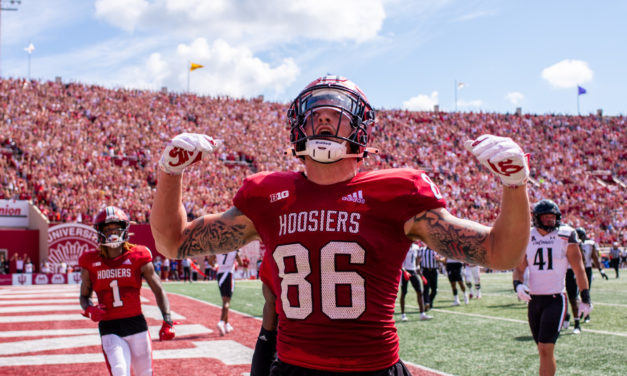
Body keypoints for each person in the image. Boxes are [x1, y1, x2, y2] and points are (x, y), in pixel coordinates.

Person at [150, 75, 531, 375]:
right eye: (315, 112)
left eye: (337, 113)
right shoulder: (266, 193)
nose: (325, 118)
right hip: (292, 367)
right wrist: (170, 173)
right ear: (298, 125)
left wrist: (514, 186)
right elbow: (172, 243)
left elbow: (500, 253)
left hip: (374, 368)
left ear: (361, 127)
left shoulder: (398, 191)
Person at [79, 206, 175, 376]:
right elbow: (84, 296)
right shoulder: (90, 261)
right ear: (99, 231)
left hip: (136, 324)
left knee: (145, 373)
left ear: (125, 229)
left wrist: (168, 320)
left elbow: (158, 289)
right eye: (107, 229)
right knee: (120, 371)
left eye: (116, 228)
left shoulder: (138, 255)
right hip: (109, 327)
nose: (112, 232)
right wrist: (89, 309)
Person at [513, 199, 592, 376]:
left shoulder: (566, 234)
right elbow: (519, 268)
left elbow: (579, 269)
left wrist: (585, 297)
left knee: (546, 348)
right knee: (541, 350)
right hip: (534, 300)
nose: (551, 220)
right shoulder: (527, 235)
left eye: (553, 217)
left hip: (555, 298)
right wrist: (517, 285)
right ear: (536, 218)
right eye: (546, 217)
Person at [576, 227, 607, 323]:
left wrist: (601, 270)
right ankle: (578, 313)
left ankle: (586, 314)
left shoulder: (590, 244)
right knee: (576, 294)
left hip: (587, 269)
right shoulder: (574, 244)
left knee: (585, 292)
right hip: (576, 269)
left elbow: (595, 258)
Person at [209, 250, 243, 336]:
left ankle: (227, 324)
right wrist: (237, 258)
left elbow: (210, 260)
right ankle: (221, 322)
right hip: (228, 274)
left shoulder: (219, 248)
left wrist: (214, 265)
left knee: (224, 301)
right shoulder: (234, 250)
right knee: (227, 301)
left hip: (220, 274)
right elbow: (241, 263)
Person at [399, 243, 432, 321]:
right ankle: (403, 315)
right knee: (404, 292)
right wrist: (404, 271)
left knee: (419, 292)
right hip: (404, 271)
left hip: (413, 271)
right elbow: (399, 261)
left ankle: (422, 314)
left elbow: (417, 259)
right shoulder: (403, 246)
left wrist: (420, 274)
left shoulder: (416, 247)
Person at [417, 244, 439, 310]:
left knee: (434, 290)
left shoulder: (436, 250)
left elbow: (442, 258)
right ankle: (426, 303)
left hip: (434, 271)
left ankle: (429, 301)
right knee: (426, 287)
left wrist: (439, 259)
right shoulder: (422, 250)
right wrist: (417, 266)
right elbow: (418, 257)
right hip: (426, 271)